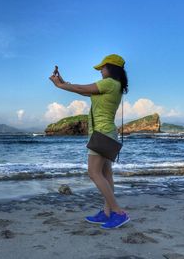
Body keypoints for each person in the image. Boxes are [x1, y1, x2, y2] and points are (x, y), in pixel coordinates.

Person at [49, 54, 130, 229]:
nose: (100, 70)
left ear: (112, 68)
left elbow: (81, 88)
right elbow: (82, 90)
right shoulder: (114, 85)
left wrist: (60, 85)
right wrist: (63, 82)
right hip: (107, 133)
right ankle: (107, 213)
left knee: (93, 173)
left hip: (102, 134)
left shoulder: (109, 83)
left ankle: (118, 212)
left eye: (103, 67)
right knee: (106, 174)